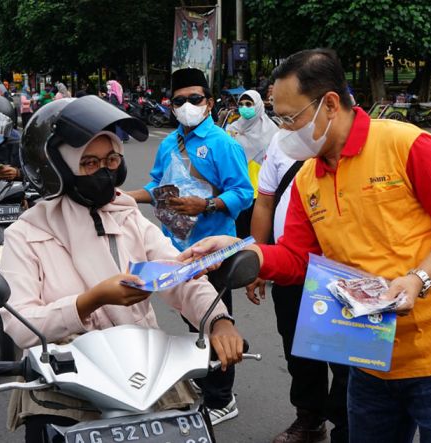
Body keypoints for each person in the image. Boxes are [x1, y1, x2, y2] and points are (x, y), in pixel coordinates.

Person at [181, 48, 431, 442]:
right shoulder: (308, 177)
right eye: (278, 119)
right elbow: (297, 258)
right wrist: (241, 249)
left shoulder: (404, 144)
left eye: (290, 118)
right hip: (366, 358)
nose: (283, 131)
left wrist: (418, 277)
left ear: (329, 103)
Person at [0, 96, 244, 442]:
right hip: (64, 383)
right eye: (89, 162)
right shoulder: (26, 233)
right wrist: (90, 300)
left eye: (111, 159)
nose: (105, 171)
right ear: (58, 167)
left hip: (139, 372)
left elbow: (176, 275)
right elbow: (20, 326)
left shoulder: (127, 215)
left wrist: (218, 319)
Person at [128, 68, 253, 426]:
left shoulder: (222, 144)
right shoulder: (169, 144)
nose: (187, 106)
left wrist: (207, 205)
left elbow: (244, 193)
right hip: (176, 249)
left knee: (215, 320)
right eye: (179, 100)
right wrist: (121, 197)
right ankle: (207, 380)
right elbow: (157, 187)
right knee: (192, 318)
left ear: (209, 102)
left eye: (195, 99)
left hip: (214, 252)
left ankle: (221, 398)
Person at [247, 132, 348, 443]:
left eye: (292, 111)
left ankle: (346, 427)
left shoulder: (358, 142)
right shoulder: (279, 141)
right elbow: (264, 202)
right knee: (299, 349)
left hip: (341, 271)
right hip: (290, 266)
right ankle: (310, 418)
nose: (286, 121)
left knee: (347, 358)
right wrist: (259, 258)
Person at [226, 89, 278, 238]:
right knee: (236, 237)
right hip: (236, 189)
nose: (244, 108)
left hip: (260, 192)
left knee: (255, 237)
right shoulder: (232, 129)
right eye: (241, 104)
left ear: (258, 105)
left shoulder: (271, 131)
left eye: (249, 104)